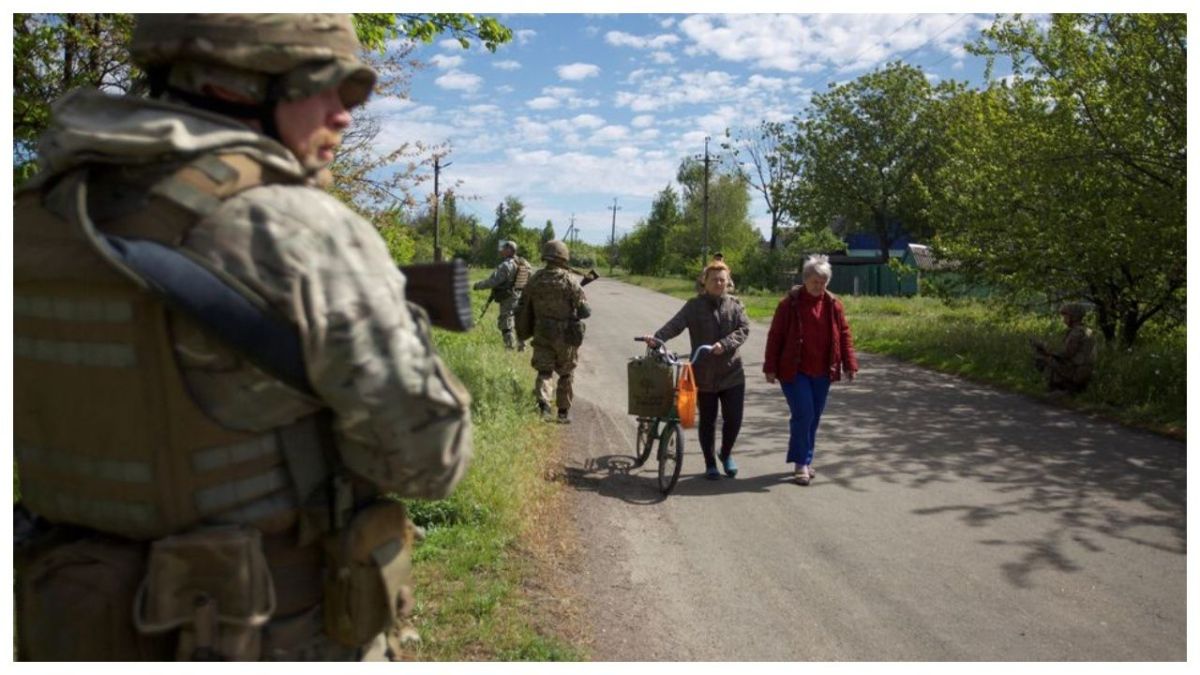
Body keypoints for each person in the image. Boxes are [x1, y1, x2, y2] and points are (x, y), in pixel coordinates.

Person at [13, 14, 472, 661]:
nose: (344, 115)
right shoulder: (298, 228)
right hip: (266, 632)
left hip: (63, 625)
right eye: (328, 86)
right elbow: (428, 463)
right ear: (232, 87)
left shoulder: (36, 218)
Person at [644, 262, 750, 480]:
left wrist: (726, 343)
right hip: (703, 374)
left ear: (728, 281)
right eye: (714, 279)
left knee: (734, 419)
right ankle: (710, 463)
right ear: (705, 282)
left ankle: (726, 453)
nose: (719, 283)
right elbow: (675, 325)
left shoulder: (736, 305)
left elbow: (744, 329)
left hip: (733, 374)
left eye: (722, 279)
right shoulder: (694, 306)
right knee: (708, 421)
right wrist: (656, 339)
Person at [763, 255, 858, 486]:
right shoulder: (789, 304)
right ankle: (800, 463)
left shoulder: (834, 304)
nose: (820, 286)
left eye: (824, 281)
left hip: (823, 370)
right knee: (804, 414)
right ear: (805, 280)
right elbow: (775, 336)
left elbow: (844, 334)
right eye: (816, 281)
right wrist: (770, 367)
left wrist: (850, 363)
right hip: (794, 370)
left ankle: (806, 458)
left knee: (813, 417)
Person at [516, 240, 591, 423]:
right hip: (565, 335)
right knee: (566, 373)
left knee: (544, 371)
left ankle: (544, 407)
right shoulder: (570, 281)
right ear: (564, 257)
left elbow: (523, 305)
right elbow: (585, 312)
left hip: (542, 331)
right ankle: (563, 413)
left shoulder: (535, 279)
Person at [473, 239, 531, 351]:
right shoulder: (523, 263)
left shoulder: (506, 265)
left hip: (508, 297)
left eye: (503, 249)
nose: (501, 251)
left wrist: (478, 285)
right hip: (520, 295)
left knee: (506, 322)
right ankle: (522, 346)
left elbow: (493, 281)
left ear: (509, 250)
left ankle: (509, 347)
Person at [1032, 302, 1098, 394]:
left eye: (1066, 316)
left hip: (1077, 372)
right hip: (1083, 370)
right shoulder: (1087, 330)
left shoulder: (1076, 333)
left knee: (1044, 359)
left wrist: (1047, 350)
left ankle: (1060, 387)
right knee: (1050, 358)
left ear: (1074, 317)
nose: (1064, 319)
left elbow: (1066, 354)